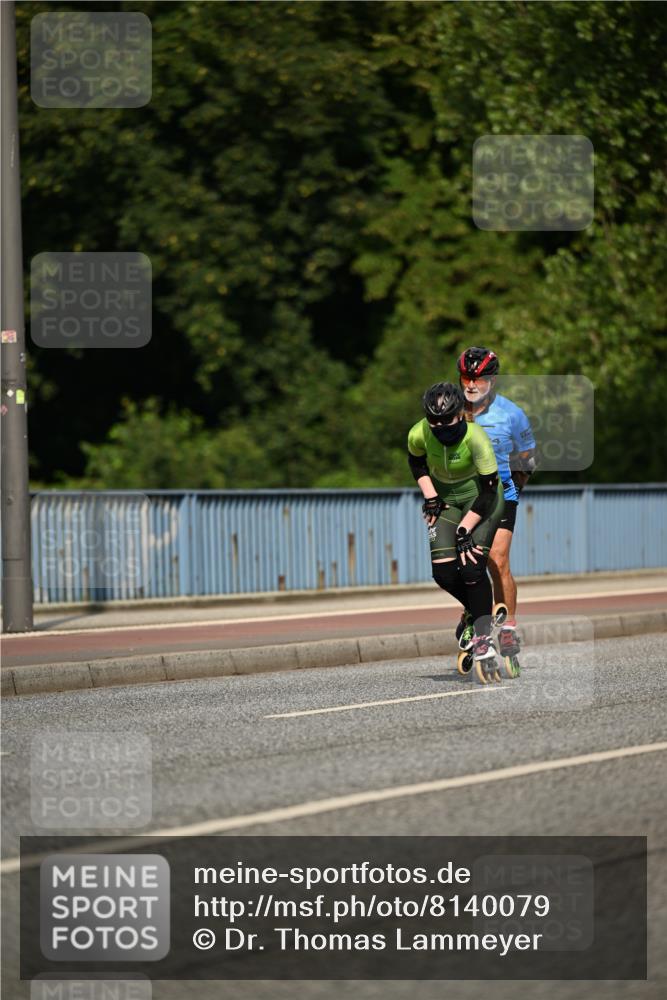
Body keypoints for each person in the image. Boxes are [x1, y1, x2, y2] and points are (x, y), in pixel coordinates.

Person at [407, 381, 505, 665]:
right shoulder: (418, 433)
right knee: (444, 574)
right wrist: (431, 496)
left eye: (447, 420)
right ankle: (474, 611)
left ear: (461, 414)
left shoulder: (476, 438)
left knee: (472, 566)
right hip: (447, 499)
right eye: (434, 422)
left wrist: (465, 529)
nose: (441, 427)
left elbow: (489, 489)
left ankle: (483, 640)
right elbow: (417, 463)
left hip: (482, 500)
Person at [456, 346, 536, 658]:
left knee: (497, 560)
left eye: (478, 379)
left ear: (493, 380)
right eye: (466, 377)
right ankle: (472, 614)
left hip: (501, 495)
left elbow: (529, 456)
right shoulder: (452, 409)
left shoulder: (511, 414)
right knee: (462, 566)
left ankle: (509, 628)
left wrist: (515, 488)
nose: (471, 385)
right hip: (464, 498)